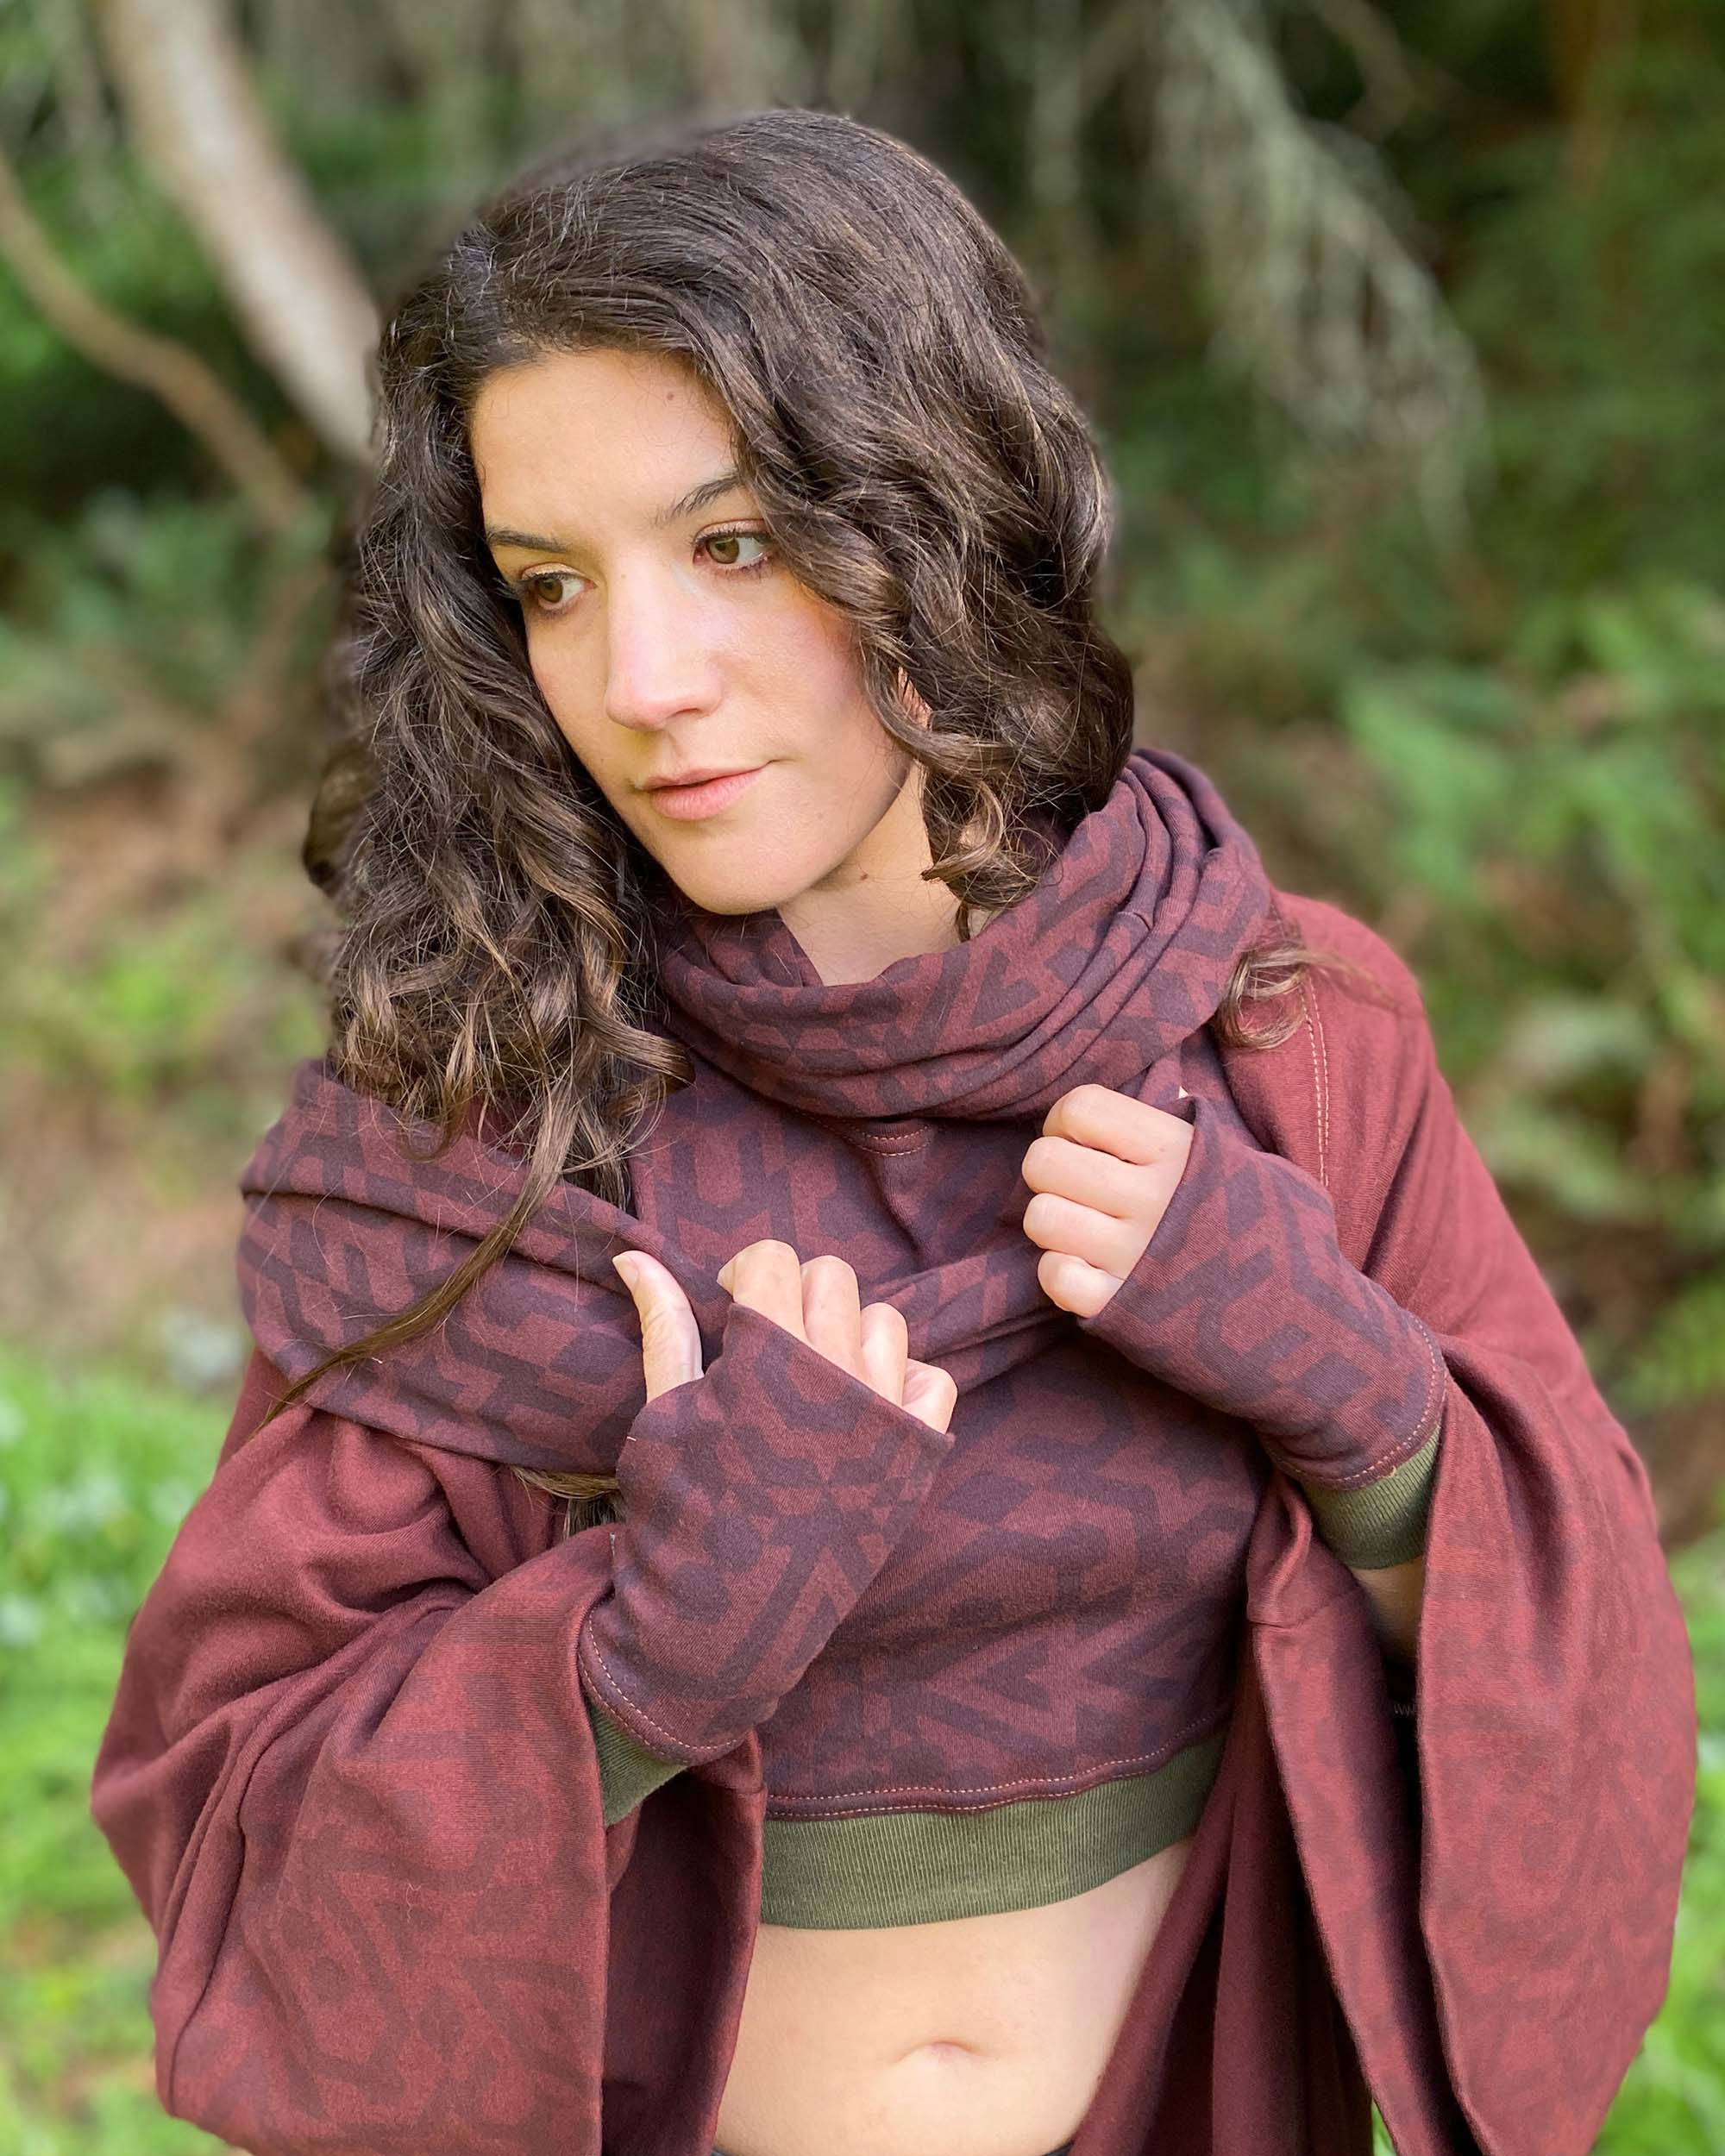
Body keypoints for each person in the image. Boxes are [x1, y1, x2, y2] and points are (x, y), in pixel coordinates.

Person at [91, 106, 1695, 2156]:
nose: (640, 678)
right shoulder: (486, 1127)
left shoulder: (1285, 1036)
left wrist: (1365, 1405)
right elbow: (238, 1825)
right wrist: (644, 1642)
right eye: (551, 585)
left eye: (735, 544)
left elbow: (1593, 1688)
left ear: (940, 508)